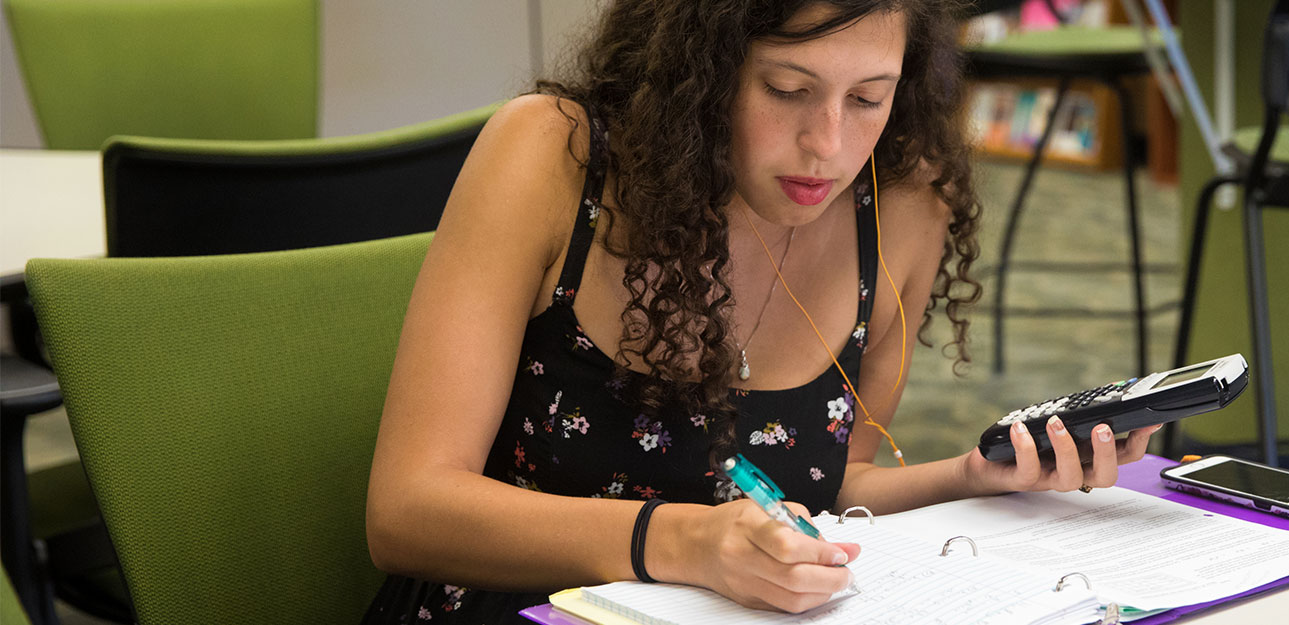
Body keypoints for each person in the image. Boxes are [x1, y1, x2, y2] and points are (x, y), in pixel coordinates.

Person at [359, 2, 1161, 622]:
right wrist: (680, 540)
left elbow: (826, 488)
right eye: (788, 89)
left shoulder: (904, 204)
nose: (828, 145)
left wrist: (970, 480)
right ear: (699, 68)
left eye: (869, 98)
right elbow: (405, 510)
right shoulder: (554, 158)